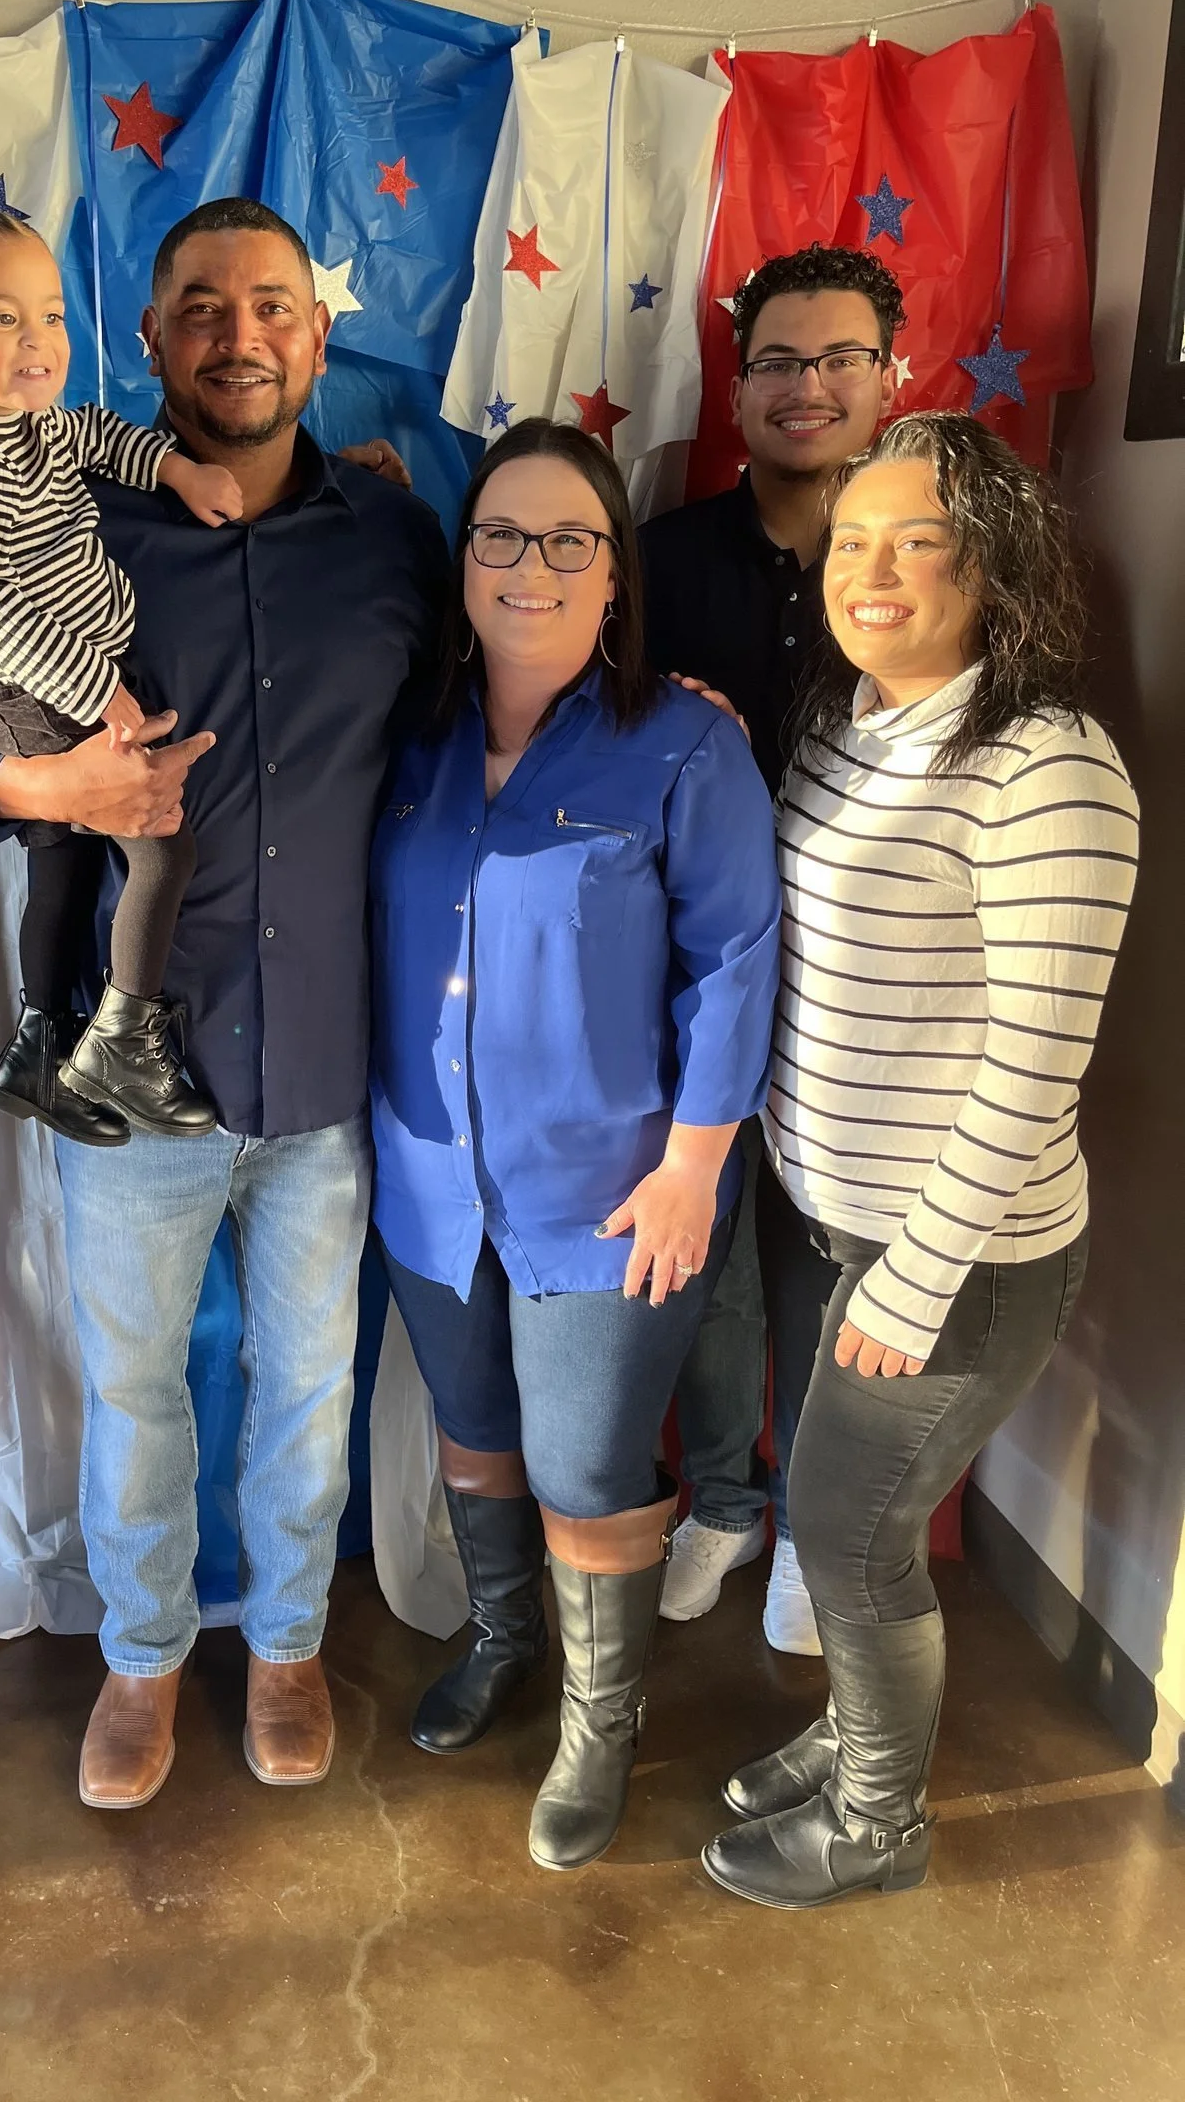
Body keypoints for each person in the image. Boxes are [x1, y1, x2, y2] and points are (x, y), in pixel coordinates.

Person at [0, 197, 448, 1809]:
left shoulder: (393, 539)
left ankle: (284, 1643)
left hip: (332, 1071)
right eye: (197, 305)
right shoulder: (54, 507)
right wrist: (36, 779)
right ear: (144, 340)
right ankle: (141, 1657)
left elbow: (466, 729)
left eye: (270, 303)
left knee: (309, 1387)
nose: (237, 332)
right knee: (133, 1389)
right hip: (129, 1074)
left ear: (317, 333)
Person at [702, 412, 1138, 1907]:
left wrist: (914, 1271)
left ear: (995, 570)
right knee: (839, 1531)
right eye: (854, 543)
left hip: (953, 1262)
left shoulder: (1044, 767)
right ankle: (850, 1740)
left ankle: (879, 1821)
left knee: (848, 1533)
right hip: (832, 1226)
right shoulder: (844, 721)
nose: (871, 573)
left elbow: (1034, 1061)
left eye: (921, 543)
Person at [370, 417, 781, 1871]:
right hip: (427, 1183)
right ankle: (500, 1646)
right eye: (500, 535)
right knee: (477, 1440)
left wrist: (692, 1166)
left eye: (568, 539)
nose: (530, 565)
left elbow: (735, 959)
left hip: (608, 1200)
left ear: (614, 572)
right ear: (462, 560)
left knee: (589, 1469)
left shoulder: (685, 738)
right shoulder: (404, 735)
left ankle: (597, 1729)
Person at [639, 243, 906, 1655]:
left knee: (838, 1282)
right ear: (735, 385)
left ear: (889, 378)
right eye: (778, 361)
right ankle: (723, 1501)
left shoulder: (929, 565)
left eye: (837, 359)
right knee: (707, 1273)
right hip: (695, 990)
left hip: (872, 1002)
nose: (807, 388)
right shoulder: (662, 559)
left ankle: (809, 1525)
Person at [0, 207, 244, 1144]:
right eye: (2, 318)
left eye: (50, 314)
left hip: (60, 683)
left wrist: (177, 470)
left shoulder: (35, 422)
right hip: (34, 692)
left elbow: (98, 435)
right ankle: (124, 1033)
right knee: (162, 844)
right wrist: (101, 695)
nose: (39, 340)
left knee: (69, 861)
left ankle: (36, 1045)